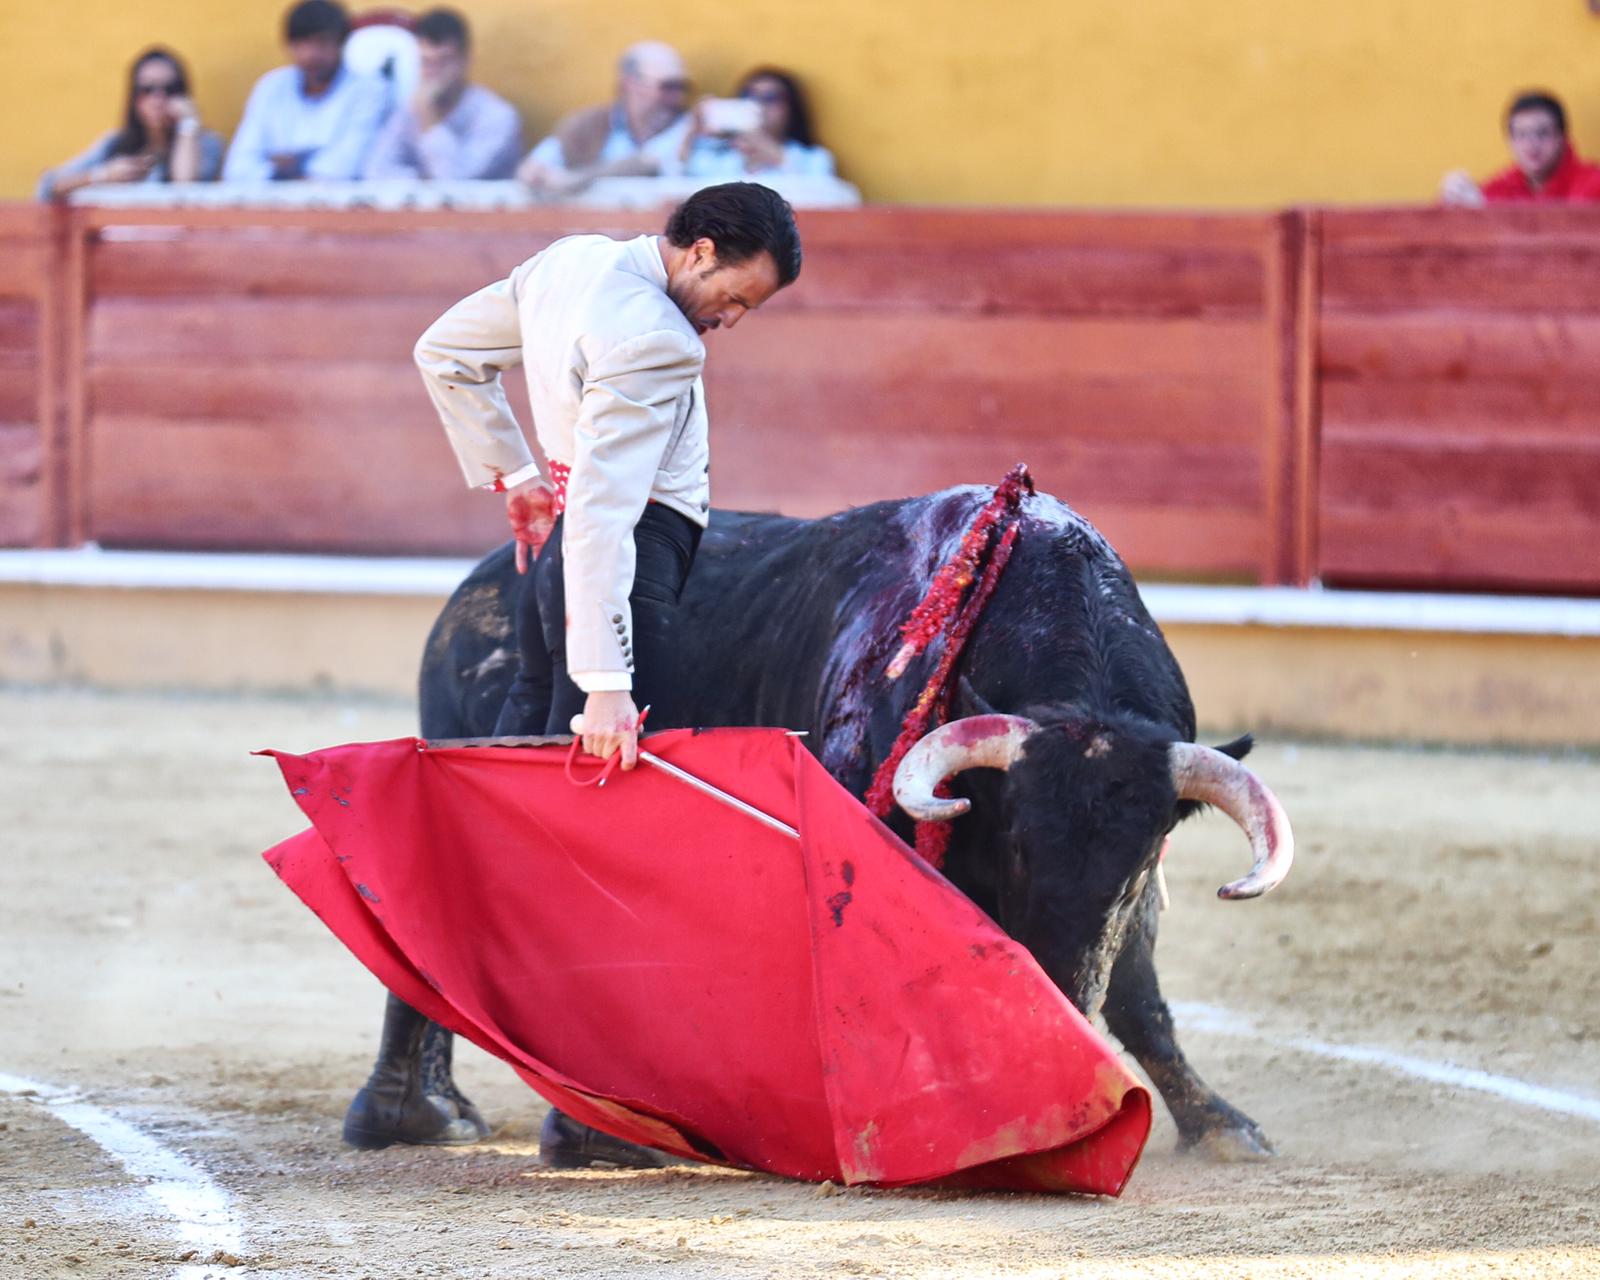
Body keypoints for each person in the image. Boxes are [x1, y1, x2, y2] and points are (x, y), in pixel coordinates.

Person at [342, 183, 802, 1166]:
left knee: (517, 826)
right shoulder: (661, 339)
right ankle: (596, 1108)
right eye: (738, 298)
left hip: (554, 579)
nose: (732, 321)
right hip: (621, 586)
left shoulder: (571, 261)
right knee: (620, 842)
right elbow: (602, 514)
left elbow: (446, 353)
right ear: (702, 250)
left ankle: (406, 1079)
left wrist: (514, 476)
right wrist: (606, 679)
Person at [223, 0, 390, 182]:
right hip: (269, 205)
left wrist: (284, 166)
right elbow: (237, 168)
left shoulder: (369, 90)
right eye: (301, 44)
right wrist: (284, 172)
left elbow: (343, 168)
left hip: (339, 206)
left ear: (342, 44)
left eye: (322, 43)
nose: (310, 54)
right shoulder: (271, 87)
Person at [38, 48, 223, 200]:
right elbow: (48, 186)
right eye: (147, 90)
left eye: (170, 89)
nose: (158, 99)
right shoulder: (115, 143)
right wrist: (102, 176)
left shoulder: (206, 144)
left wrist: (189, 123)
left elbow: (186, 188)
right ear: (134, 97)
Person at [516, 41, 693, 198]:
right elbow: (534, 167)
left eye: (682, 87)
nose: (677, 97)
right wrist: (538, 175)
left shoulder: (690, 127)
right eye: (667, 87)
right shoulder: (587, 124)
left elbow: (648, 161)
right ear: (630, 84)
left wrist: (575, 180)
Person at [362, 7, 522, 180]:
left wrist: (429, 121)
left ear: (465, 60)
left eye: (444, 61)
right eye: (426, 62)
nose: (434, 73)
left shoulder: (497, 117)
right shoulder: (410, 109)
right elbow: (375, 170)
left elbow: (455, 182)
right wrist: (422, 180)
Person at [1441, 91, 1600, 205]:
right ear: (1510, 142)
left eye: (1542, 133)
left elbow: (1560, 237)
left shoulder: (1593, 183)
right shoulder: (1507, 185)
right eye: (1521, 135)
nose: (1531, 144)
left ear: (1562, 139)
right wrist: (1453, 199)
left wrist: (1485, 213)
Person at [684, 67, 836, 181]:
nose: (758, 104)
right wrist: (692, 130)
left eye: (770, 98)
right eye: (749, 96)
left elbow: (817, 193)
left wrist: (764, 145)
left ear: (791, 108)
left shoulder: (814, 158)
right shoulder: (720, 158)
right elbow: (678, 176)